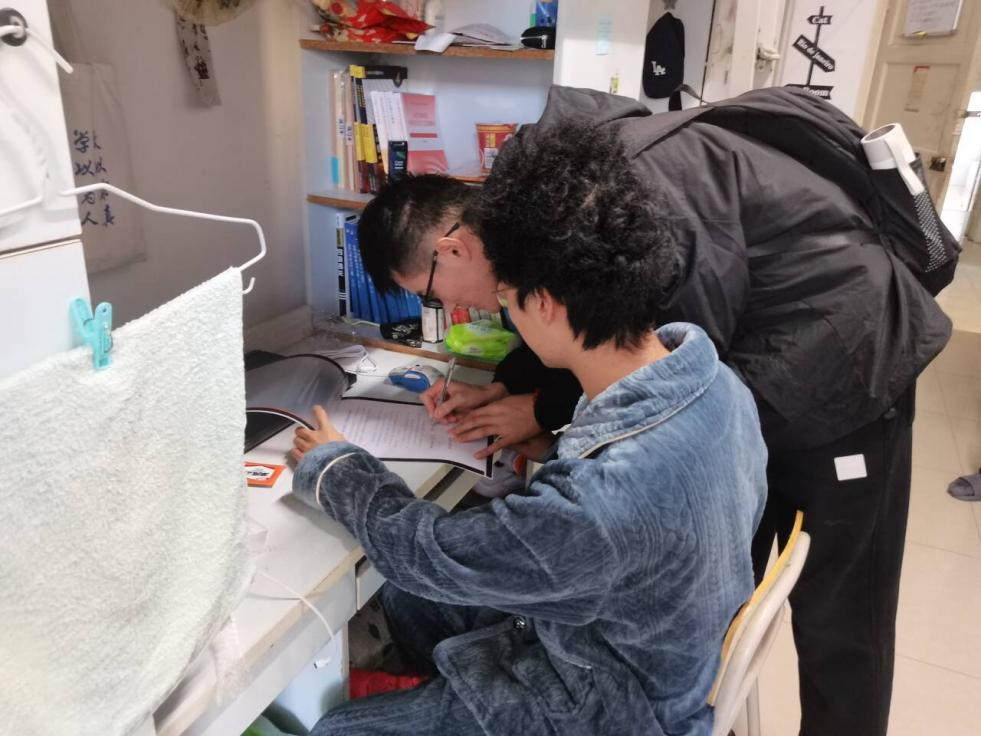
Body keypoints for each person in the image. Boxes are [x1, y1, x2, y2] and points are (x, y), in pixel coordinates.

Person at [355, 86, 957, 736]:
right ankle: (699, 702)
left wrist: (542, 412)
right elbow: (586, 318)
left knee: (840, 619)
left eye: (432, 295)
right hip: (763, 356)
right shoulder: (534, 202)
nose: (454, 310)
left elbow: (656, 362)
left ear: (451, 249)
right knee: (711, 585)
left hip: (848, 356)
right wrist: (510, 392)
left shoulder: (634, 195)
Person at [289, 133, 768, 735]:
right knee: (410, 602)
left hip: (611, 707)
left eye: (508, 300)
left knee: (337, 729)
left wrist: (336, 469)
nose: (503, 313)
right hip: (642, 644)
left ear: (543, 303)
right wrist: (545, 447)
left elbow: (432, 552)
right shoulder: (718, 383)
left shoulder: (602, 501)